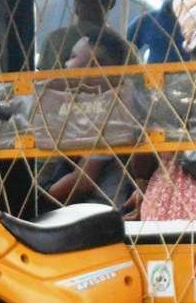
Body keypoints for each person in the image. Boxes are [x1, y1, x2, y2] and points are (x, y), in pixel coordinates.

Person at [41, 27, 138, 208]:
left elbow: (82, 182)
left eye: (72, 56)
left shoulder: (116, 109)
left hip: (99, 209)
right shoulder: (90, 105)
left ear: (94, 65)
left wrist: (34, 201)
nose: (66, 64)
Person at [37, 0, 118, 70]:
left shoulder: (53, 41)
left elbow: (41, 82)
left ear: (76, 1)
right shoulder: (124, 49)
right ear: (112, 3)